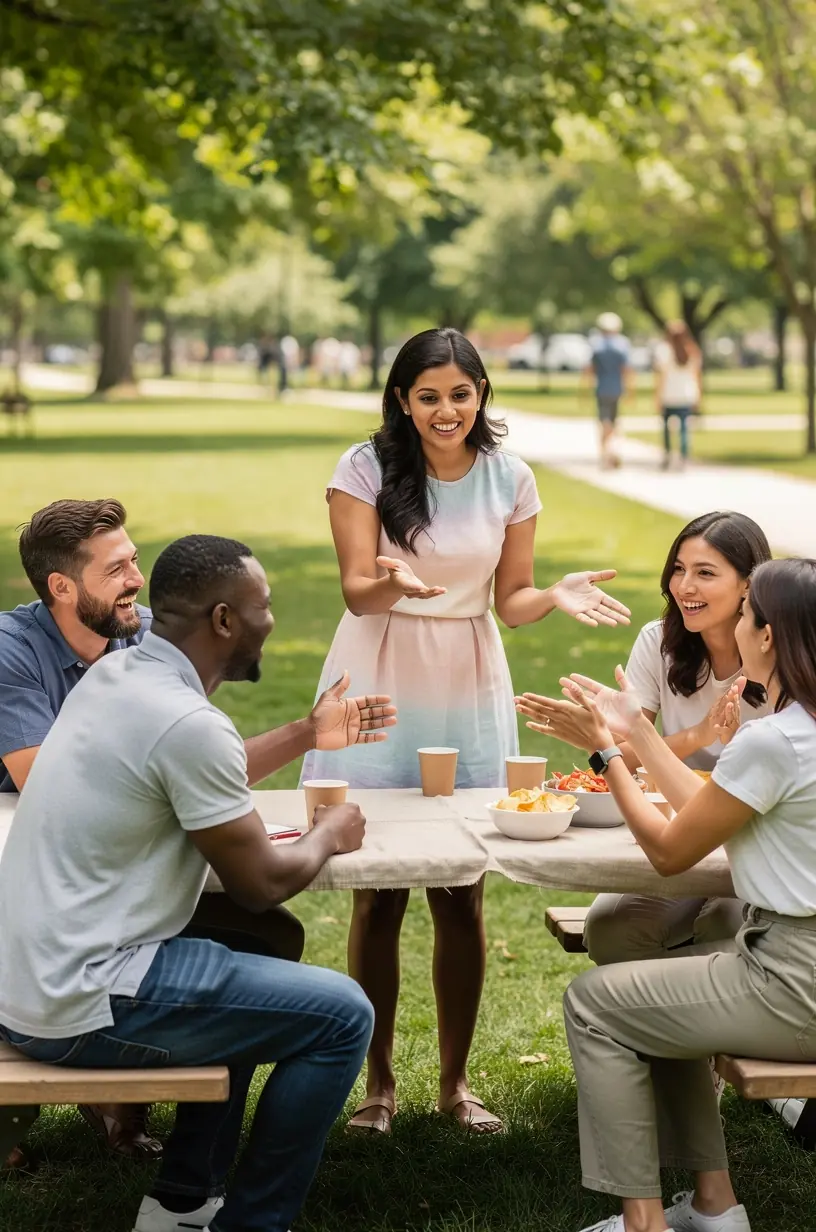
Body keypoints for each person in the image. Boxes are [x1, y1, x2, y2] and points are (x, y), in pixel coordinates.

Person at [0, 534, 386, 1232]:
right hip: (77, 995)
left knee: (266, 944)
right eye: (263, 606)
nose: (273, 619)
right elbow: (260, 882)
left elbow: (198, 770)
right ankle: (255, 1223)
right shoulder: (184, 720)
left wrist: (307, 732)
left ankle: (183, 1199)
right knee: (343, 1015)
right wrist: (331, 832)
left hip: (28, 972)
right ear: (223, 621)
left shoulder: (121, 679)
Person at [302, 326, 631, 1137]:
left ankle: (454, 1085)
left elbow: (510, 602)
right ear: (401, 400)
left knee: (462, 890)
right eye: (428, 396)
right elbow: (354, 591)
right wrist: (395, 584)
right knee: (376, 892)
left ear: (481, 394)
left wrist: (550, 594)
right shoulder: (365, 467)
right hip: (382, 666)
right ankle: (377, 1086)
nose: (446, 410)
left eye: (461, 393)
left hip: (470, 672)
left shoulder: (510, 477)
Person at [516, 556, 816, 1232]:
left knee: (594, 1004)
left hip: (797, 980)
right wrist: (639, 730)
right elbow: (706, 814)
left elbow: (670, 849)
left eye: (745, 612)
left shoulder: (773, 742)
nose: (736, 623)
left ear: (766, 637)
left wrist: (607, 754)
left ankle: (644, 1223)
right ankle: (714, 1207)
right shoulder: (793, 732)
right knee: (658, 986)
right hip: (794, 965)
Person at [576, 511, 773, 968]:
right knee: (608, 931)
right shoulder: (660, 642)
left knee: (729, 925)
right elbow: (621, 757)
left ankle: (702, 1016)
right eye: (679, 570)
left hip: (755, 839)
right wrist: (697, 735)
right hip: (681, 827)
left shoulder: (777, 650)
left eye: (705, 573)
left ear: (749, 584)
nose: (684, 587)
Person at [586, 312, 632, 471]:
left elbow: (590, 369)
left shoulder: (596, 345)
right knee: (615, 422)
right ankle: (614, 451)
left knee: (603, 422)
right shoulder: (622, 345)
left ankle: (605, 454)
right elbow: (626, 369)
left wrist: (584, 389)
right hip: (616, 389)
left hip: (601, 389)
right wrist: (630, 389)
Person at [655, 321, 702, 471]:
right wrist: (698, 395)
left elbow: (661, 377)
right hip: (686, 394)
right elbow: (696, 376)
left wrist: (657, 396)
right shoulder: (692, 350)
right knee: (683, 429)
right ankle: (683, 456)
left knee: (667, 429)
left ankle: (668, 455)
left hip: (669, 394)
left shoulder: (664, 351)